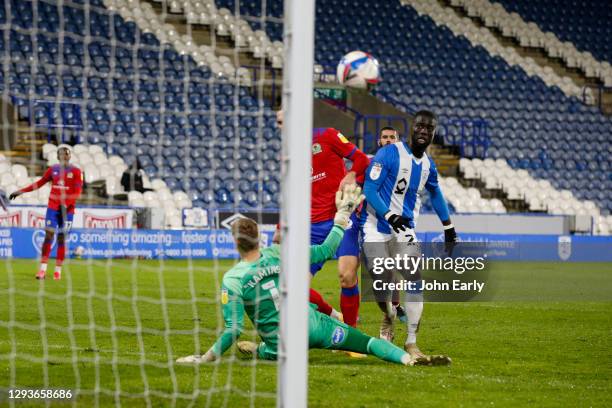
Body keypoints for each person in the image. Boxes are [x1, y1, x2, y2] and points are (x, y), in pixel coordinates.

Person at [176, 184, 437, 366]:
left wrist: (204, 358)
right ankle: (408, 359)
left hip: (282, 344)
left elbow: (233, 330)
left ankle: (261, 349)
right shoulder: (282, 253)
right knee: (367, 343)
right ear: (259, 237)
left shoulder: (231, 279)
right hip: (314, 328)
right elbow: (326, 249)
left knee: (271, 348)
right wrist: (341, 217)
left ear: (235, 243)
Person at [362, 110, 456, 363]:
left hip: (405, 228)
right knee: (382, 284)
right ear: (411, 129)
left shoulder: (428, 165)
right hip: (374, 225)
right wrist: (389, 215)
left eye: (429, 128)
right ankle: (389, 315)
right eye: (420, 126)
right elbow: (369, 188)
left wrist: (448, 227)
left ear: (434, 133)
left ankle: (412, 342)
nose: (424, 131)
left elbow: (435, 193)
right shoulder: (389, 154)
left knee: (414, 275)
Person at [276, 110, 370, 328]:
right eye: (278, 122)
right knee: (293, 285)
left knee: (347, 275)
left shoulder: (327, 135)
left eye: (283, 120)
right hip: (310, 226)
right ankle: (333, 315)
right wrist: (282, 224)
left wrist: (351, 174)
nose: (280, 126)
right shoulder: (288, 154)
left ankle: (350, 333)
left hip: (340, 216)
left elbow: (361, 159)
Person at [9, 144, 83, 280]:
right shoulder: (52, 170)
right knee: (48, 236)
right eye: (62, 155)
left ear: (69, 156)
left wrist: (66, 205)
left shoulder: (77, 172)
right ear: (58, 157)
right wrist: (21, 191)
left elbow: (78, 192)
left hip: (68, 210)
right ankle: (42, 270)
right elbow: (39, 183)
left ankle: (57, 271)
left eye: (66, 155)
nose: (64, 157)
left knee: (61, 239)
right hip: (53, 208)